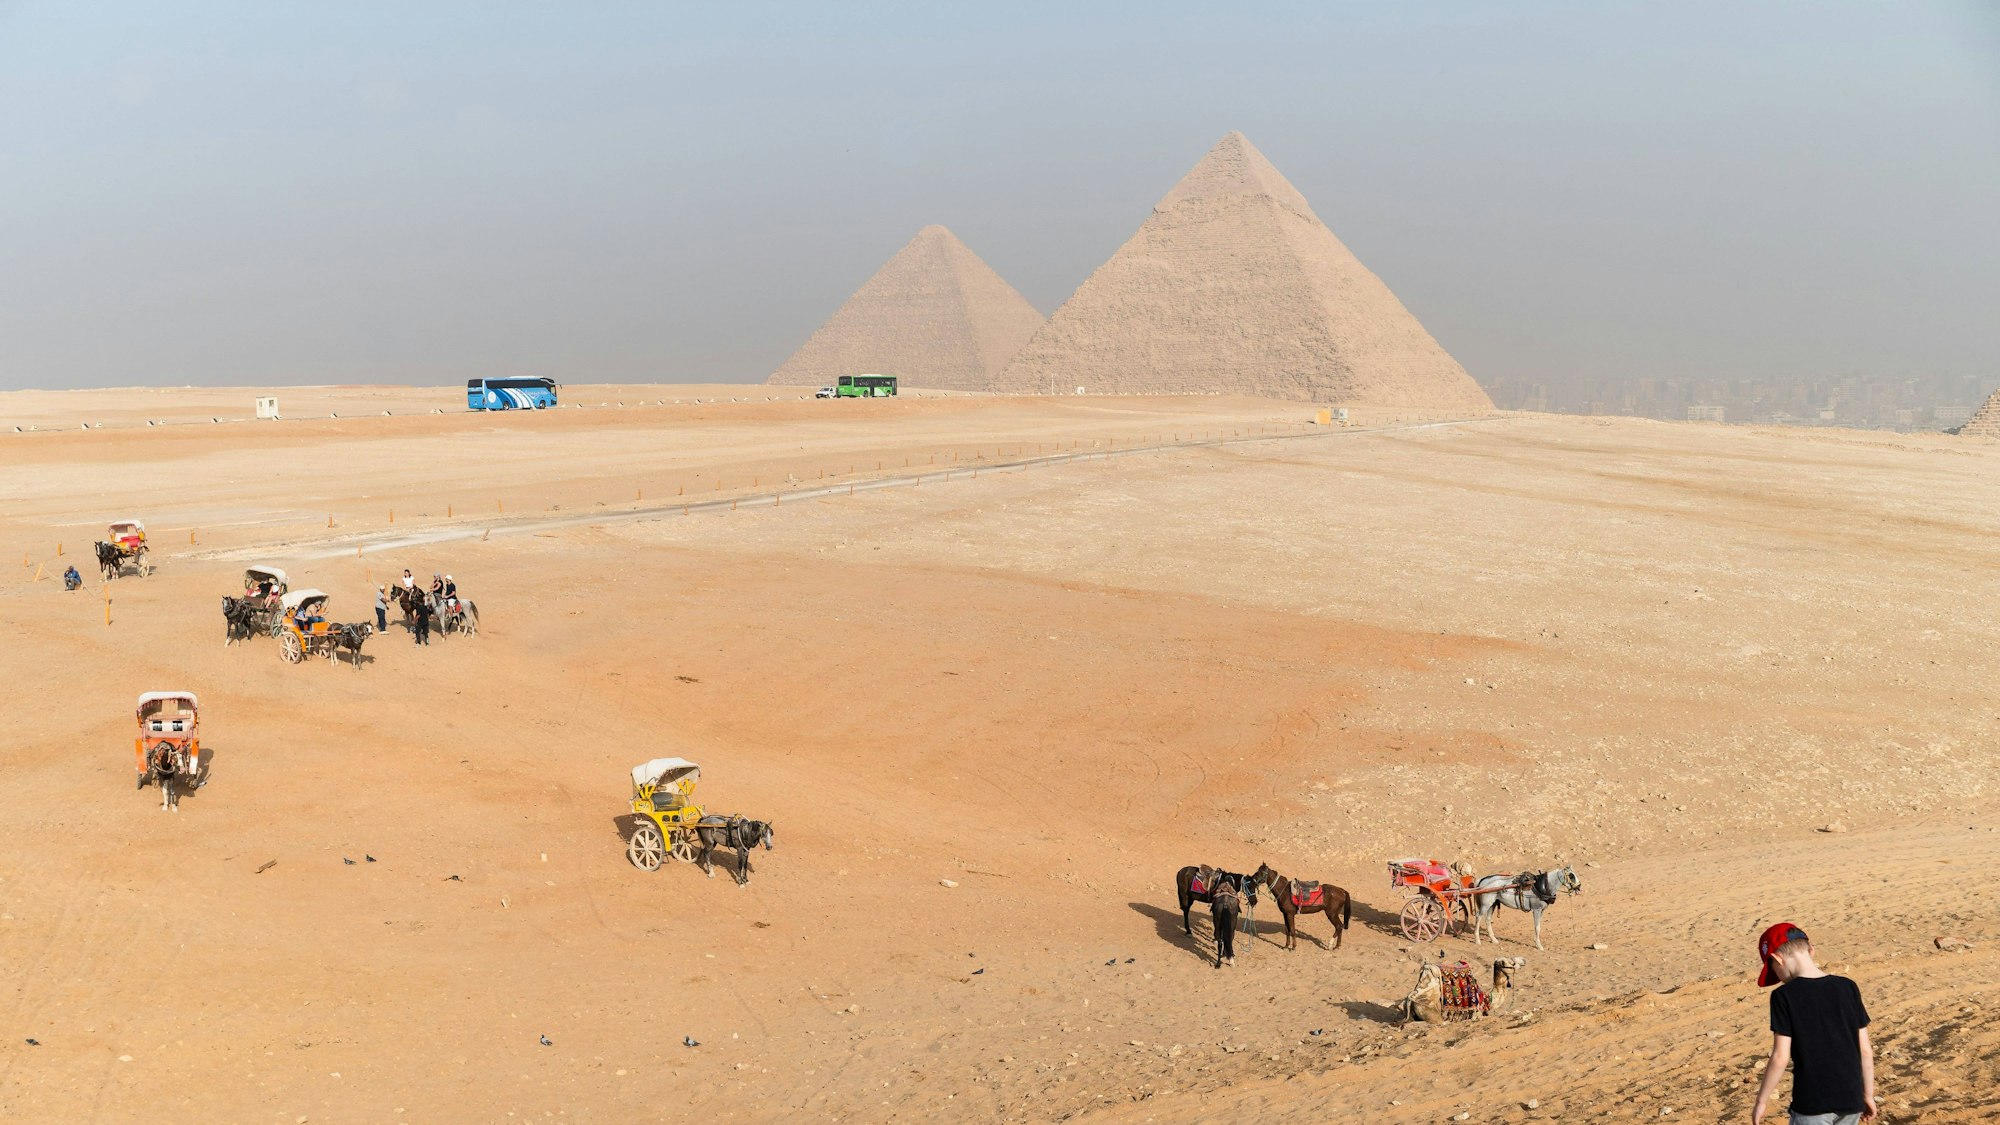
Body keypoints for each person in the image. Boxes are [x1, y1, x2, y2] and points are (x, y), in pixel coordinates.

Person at [1751, 922, 1875, 1125]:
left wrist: (1761, 1101)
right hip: (1851, 1100)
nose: (1779, 979)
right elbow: (1865, 1050)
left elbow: (1781, 1057)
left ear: (1776, 959)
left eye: (1774, 971)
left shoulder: (1783, 996)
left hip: (1812, 1103)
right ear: (1811, 950)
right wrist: (1868, 1095)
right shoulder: (1848, 987)